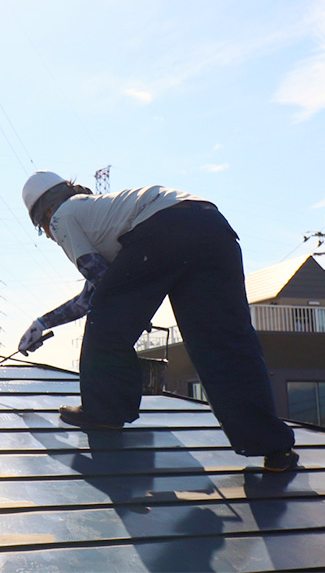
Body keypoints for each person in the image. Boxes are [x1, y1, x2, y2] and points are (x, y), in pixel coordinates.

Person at [18, 171, 299, 472]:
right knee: (225, 342)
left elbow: (101, 289)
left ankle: (104, 412)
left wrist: (130, 311)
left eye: (43, 229)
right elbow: (100, 288)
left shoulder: (63, 216)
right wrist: (43, 322)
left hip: (164, 229)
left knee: (105, 324)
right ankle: (274, 446)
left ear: (47, 212)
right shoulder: (101, 215)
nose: (49, 235)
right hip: (212, 225)